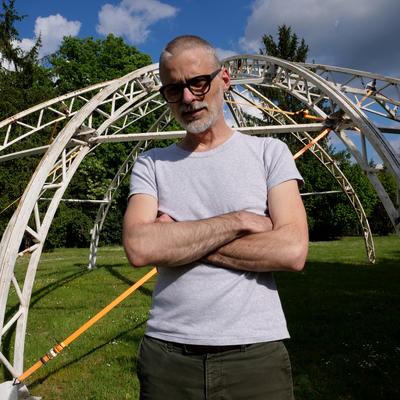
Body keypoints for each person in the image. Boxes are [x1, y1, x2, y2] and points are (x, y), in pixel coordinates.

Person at [123, 35, 308, 400]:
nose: (188, 98)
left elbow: (291, 251)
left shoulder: (270, 153)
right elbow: (140, 247)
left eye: (197, 82)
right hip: (168, 355)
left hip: (255, 354)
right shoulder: (152, 163)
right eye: (174, 89)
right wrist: (238, 221)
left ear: (223, 79)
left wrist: (177, 240)